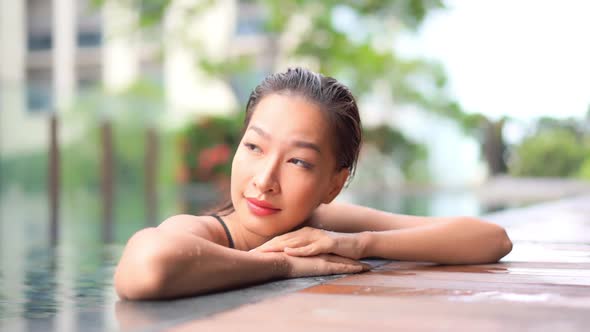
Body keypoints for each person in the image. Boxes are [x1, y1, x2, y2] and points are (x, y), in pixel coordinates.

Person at [114, 67, 513, 301]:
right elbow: (146, 265)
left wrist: (358, 243)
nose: (265, 180)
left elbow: (491, 239)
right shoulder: (204, 232)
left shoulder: (326, 223)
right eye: (254, 147)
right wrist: (282, 265)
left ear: (333, 184)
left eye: (298, 161)